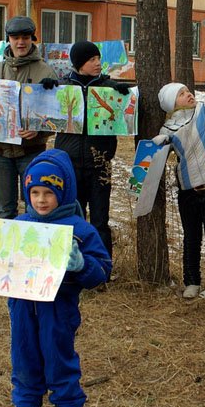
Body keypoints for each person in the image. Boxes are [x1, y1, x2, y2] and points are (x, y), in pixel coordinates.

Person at [0, 149, 112, 407]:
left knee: (59, 357)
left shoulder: (80, 230)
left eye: (49, 192)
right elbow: (0, 262)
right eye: (34, 192)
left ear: (64, 191)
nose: (41, 199)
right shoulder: (19, 225)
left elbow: (102, 272)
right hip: (22, 309)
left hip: (58, 312)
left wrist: (83, 266)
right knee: (24, 358)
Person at [154, 33, 205, 302]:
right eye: (182, 93)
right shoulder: (167, 129)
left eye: (188, 90)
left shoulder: (204, 111)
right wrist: (156, 146)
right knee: (191, 238)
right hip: (187, 189)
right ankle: (192, 282)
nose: (188, 94)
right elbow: (156, 160)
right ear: (171, 103)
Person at [0, 16, 57, 219]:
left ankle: (33, 249)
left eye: (25, 37)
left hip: (31, 151)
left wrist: (40, 129)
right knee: (5, 209)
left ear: (32, 39)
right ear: (8, 39)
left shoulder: (45, 71)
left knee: (34, 205)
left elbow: (57, 115)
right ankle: (8, 251)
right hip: (0, 152)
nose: (21, 42)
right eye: (15, 37)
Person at [53, 41, 133, 258]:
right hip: (70, 166)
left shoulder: (108, 87)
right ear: (79, 63)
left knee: (100, 220)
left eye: (98, 59)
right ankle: (71, 265)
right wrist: (45, 92)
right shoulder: (63, 87)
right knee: (72, 219)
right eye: (92, 60)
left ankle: (102, 267)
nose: (98, 64)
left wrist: (121, 97)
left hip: (99, 166)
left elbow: (125, 117)